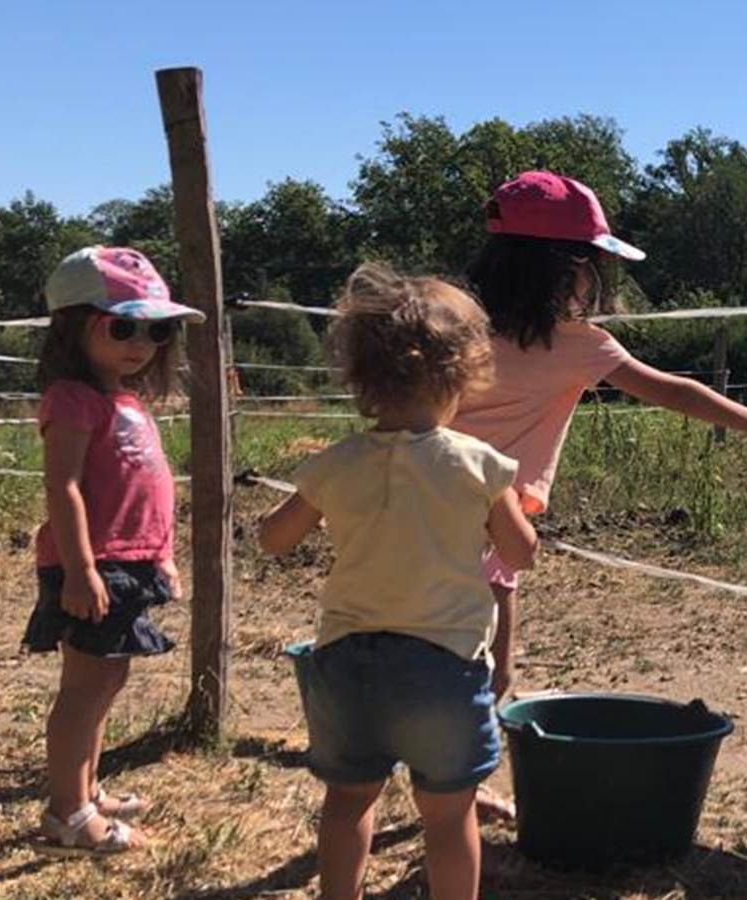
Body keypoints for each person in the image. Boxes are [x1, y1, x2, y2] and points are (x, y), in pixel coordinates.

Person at [451, 171, 747, 820]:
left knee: (436, 657)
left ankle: (442, 784)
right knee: (487, 673)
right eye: (595, 267)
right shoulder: (581, 346)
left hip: (422, 515)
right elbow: (673, 390)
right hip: (496, 530)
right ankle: (453, 793)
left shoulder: (458, 330)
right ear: (569, 272)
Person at [259, 263, 537, 900]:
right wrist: (515, 512)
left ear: (362, 377)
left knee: (348, 801)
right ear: (461, 375)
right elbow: (520, 556)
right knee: (446, 814)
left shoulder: (336, 463)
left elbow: (275, 540)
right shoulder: (479, 466)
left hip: (346, 661)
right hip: (441, 664)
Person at [27, 246, 203, 856]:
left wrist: (162, 556)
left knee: (108, 679)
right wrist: (78, 569)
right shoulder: (73, 400)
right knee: (84, 686)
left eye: (156, 329)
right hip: (94, 565)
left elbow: (146, 492)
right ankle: (67, 813)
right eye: (123, 326)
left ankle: (87, 787)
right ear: (75, 328)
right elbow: (64, 487)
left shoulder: (126, 399)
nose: (141, 342)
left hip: (129, 563)